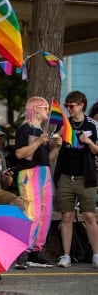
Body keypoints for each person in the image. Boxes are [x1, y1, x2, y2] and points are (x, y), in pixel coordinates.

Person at [13, 97, 62, 269]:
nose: (48, 111)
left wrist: (55, 147)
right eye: (45, 108)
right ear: (35, 109)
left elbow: (47, 159)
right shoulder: (24, 129)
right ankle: (23, 252)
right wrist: (40, 141)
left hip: (44, 172)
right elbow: (20, 154)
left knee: (45, 213)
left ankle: (35, 251)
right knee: (32, 213)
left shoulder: (41, 130)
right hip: (29, 173)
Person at [52, 91, 98, 268]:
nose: (69, 109)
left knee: (89, 215)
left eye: (72, 106)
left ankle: (96, 254)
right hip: (65, 177)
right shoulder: (64, 124)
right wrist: (56, 143)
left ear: (81, 105)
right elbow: (53, 152)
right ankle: (66, 255)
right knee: (67, 216)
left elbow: (96, 151)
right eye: (67, 105)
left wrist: (88, 141)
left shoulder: (92, 125)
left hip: (86, 176)